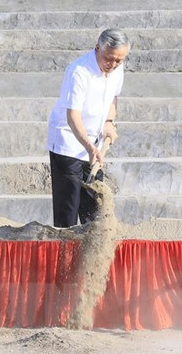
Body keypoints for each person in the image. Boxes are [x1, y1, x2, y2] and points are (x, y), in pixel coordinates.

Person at [47, 28, 129, 227]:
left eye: (119, 60)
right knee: (68, 212)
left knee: (95, 211)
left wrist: (108, 122)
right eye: (109, 58)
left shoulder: (117, 68)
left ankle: (91, 256)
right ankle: (65, 256)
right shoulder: (79, 71)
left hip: (95, 146)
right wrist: (89, 148)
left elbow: (113, 98)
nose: (114, 64)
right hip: (68, 144)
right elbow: (72, 116)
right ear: (97, 47)